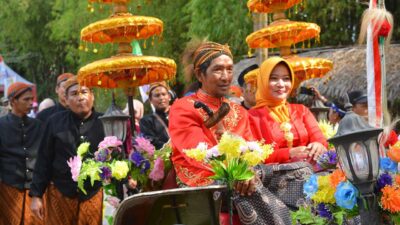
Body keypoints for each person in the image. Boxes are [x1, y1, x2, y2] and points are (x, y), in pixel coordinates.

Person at [170, 41, 290, 225]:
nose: (226, 76)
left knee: (301, 171)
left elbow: (252, 149)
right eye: (218, 70)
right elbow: (198, 156)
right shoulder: (183, 108)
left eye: (229, 69)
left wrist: (247, 169)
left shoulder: (239, 110)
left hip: (244, 173)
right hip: (203, 179)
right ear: (200, 74)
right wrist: (239, 173)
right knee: (249, 186)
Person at [29, 76, 105, 225]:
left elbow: (116, 156)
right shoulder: (54, 122)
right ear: (66, 99)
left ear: (92, 95)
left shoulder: (105, 122)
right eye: (74, 94)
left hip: (93, 195)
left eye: (84, 92)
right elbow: (44, 159)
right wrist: (36, 195)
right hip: (61, 194)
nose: (80, 97)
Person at [249, 57, 328, 164]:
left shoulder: (302, 110)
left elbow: (319, 138)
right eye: (273, 78)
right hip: (273, 178)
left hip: (311, 175)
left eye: (286, 78)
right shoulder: (251, 117)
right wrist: (289, 153)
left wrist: (318, 145)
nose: (281, 84)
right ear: (263, 81)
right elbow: (253, 156)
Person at [0, 82, 43, 225]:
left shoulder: (38, 125)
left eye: (32, 99)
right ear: (13, 101)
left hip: (35, 191)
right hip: (9, 189)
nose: (31, 103)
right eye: (26, 99)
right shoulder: (1, 126)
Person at [139, 82, 171, 149]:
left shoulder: (179, 114)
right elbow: (151, 140)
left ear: (169, 97)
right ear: (150, 100)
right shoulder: (146, 121)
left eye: (164, 94)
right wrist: (168, 147)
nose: (161, 98)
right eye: (157, 95)